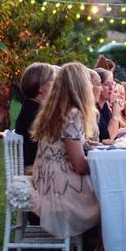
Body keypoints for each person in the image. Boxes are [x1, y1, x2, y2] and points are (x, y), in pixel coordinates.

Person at [29, 62, 101, 238]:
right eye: (89, 82)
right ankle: (103, 246)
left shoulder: (54, 110)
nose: (92, 86)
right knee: (109, 197)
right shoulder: (73, 114)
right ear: (81, 86)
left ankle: (97, 245)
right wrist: (105, 161)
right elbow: (79, 166)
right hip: (58, 184)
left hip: (43, 176)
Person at [14, 62, 55, 173]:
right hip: (35, 168)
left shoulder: (30, 106)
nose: (56, 84)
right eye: (52, 80)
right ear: (40, 87)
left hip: (38, 163)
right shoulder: (35, 112)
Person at [93, 67, 124, 142]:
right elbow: (109, 138)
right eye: (106, 84)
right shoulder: (94, 109)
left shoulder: (105, 106)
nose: (111, 88)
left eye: (112, 84)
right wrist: (115, 106)